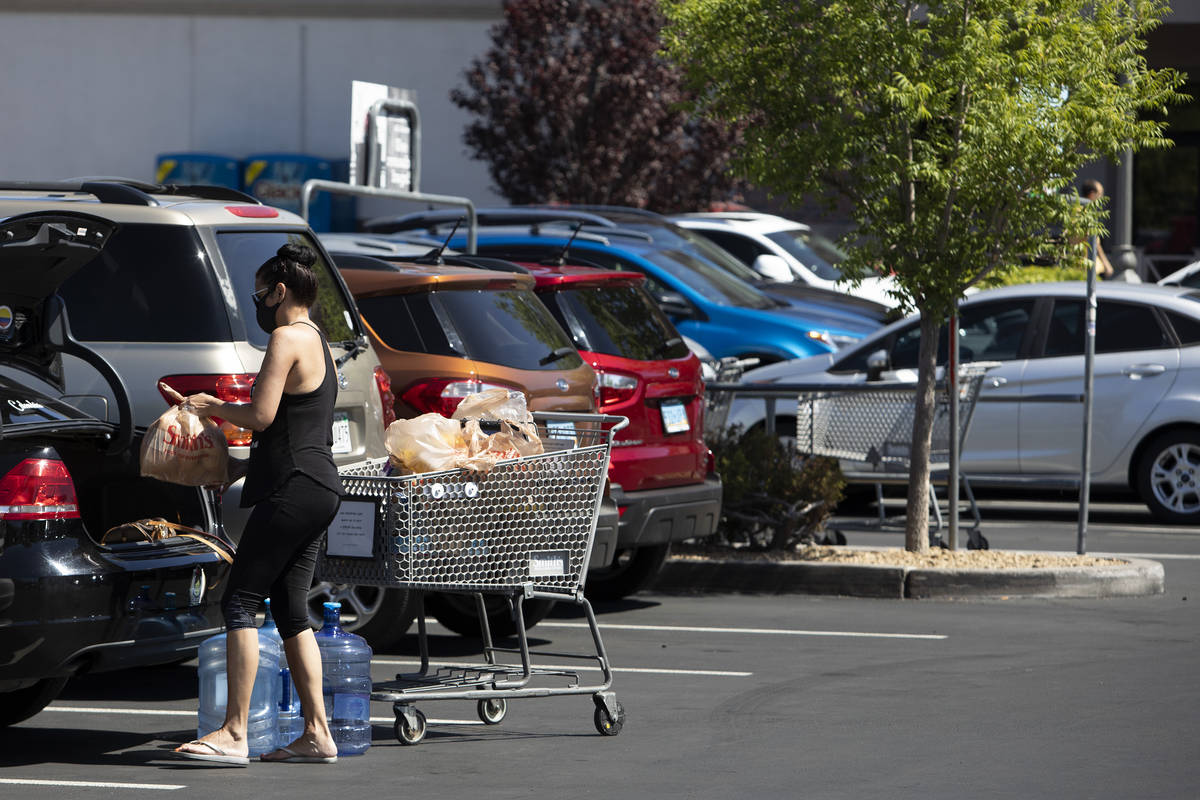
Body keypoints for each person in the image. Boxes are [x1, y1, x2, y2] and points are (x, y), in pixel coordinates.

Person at [174, 243, 344, 766]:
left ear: (280, 292)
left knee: (240, 601)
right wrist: (243, 466)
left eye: (258, 292)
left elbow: (264, 416)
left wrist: (212, 405)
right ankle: (318, 734)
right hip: (318, 486)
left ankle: (234, 733)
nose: (256, 302)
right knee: (293, 612)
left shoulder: (285, 337)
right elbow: (298, 428)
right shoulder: (320, 340)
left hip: (295, 487)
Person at [1080, 180, 1115, 280]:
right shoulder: (1085, 214)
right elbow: (1093, 241)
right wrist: (1106, 264)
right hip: (1088, 266)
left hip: (1084, 265)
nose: (1101, 198)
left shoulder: (1079, 211)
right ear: (1092, 195)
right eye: (1100, 194)